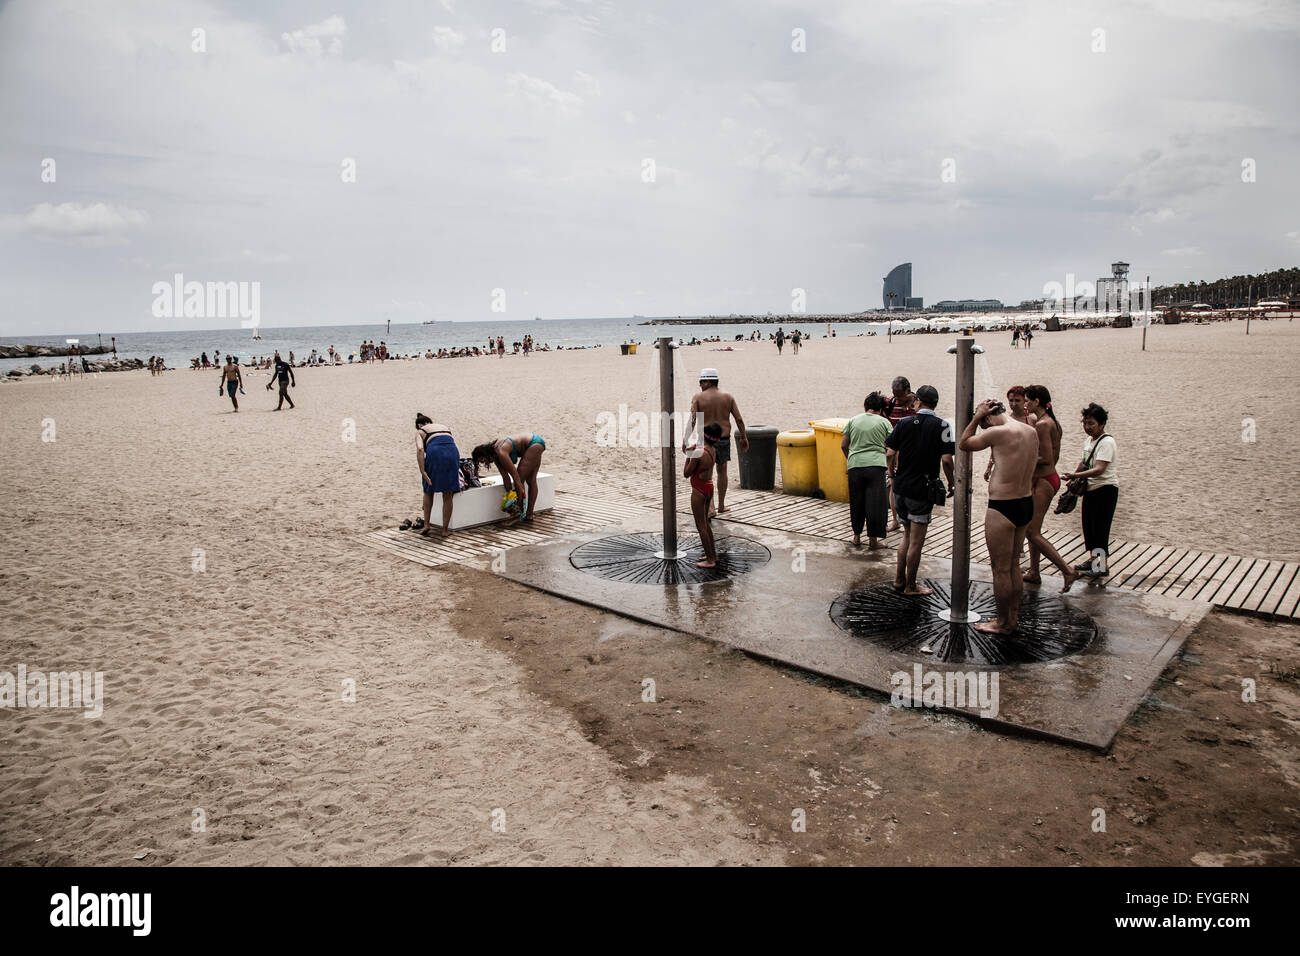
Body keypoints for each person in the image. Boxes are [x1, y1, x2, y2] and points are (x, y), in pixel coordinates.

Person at [959, 398, 1039, 634]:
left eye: (983, 422)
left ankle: (1002, 623)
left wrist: (974, 418)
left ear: (988, 417)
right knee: (1014, 564)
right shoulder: (1030, 430)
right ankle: (1012, 617)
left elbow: (964, 444)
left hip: (1003, 505)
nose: (984, 427)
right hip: (1025, 501)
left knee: (1000, 568)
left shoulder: (997, 432)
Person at [885, 384, 954, 595]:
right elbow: (946, 459)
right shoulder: (942, 425)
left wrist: (892, 474)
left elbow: (889, 453)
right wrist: (951, 482)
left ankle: (899, 579)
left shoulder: (904, 423)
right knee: (916, 541)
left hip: (902, 485)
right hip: (922, 488)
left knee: (906, 536)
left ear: (919, 402)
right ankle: (911, 585)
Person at [1021, 385, 1078, 591]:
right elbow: (1055, 456)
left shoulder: (1043, 424)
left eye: (1028, 400)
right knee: (1031, 528)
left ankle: (1067, 570)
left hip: (1044, 480)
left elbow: (1045, 458)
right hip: (1047, 478)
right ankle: (1034, 571)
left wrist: (1023, 458)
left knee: (1032, 531)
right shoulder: (1053, 422)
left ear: (1037, 402)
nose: (1026, 404)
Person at [1060, 403, 1118, 576]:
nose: (1087, 427)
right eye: (1085, 423)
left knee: (1101, 528)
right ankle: (1093, 561)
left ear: (1102, 424)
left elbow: (1100, 469)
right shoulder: (1089, 441)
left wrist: (1075, 475)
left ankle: (1102, 566)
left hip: (1105, 490)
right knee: (1089, 527)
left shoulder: (1107, 442)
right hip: (1091, 490)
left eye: (1091, 423)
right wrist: (1074, 475)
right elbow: (1084, 462)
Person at [685, 367, 749, 517]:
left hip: (704, 441)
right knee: (722, 471)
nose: (700, 385)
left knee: (707, 473)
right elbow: (738, 419)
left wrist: (685, 439)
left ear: (708, 381)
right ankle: (721, 505)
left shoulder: (698, 398)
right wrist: (744, 437)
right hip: (723, 439)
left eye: (701, 381)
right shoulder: (728, 397)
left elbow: (693, 420)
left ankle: (711, 508)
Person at [841, 391, 891, 549]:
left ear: (865, 406)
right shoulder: (884, 422)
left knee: (856, 501)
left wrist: (851, 459)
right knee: (876, 504)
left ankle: (856, 537)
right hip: (876, 466)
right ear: (881, 409)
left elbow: (843, 445)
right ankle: (873, 541)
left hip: (855, 465)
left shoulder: (853, 420)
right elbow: (892, 448)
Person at [471, 432, 546, 521]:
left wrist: (516, 505)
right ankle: (528, 515)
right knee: (531, 480)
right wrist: (509, 496)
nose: (485, 463)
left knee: (520, 478)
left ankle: (520, 513)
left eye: (483, 460)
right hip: (534, 445)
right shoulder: (496, 457)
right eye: (482, 462)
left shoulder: (501, 452)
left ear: (485, 453)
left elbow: (516, 477)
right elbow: (505, 478)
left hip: (534, 444)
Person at [684, 423, 722, 568]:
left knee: (701, 526)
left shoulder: (698, 452)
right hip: (709, 486)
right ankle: (712, 554)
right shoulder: (712, 450)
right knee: (705, 523)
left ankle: (710, 561)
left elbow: (686, 473)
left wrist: (688, 455)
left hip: (698, 489)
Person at [415, 413, 460, 537]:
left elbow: (420, 449)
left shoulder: (420, 431)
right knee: (448, 493)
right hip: (453, 452)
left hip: (435, 452)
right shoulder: (443, 426)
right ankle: (445, 530)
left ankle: (426, 525)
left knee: (428, 490)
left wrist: (422, 471)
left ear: (419, 425)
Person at [883, 375, 916, 531]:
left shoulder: (918, 405)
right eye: (895, 395)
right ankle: (895, 520)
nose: (898, 399)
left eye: (900, 396)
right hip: (892, 454)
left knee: (911, 488)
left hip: (912, 455)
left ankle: (910, 521)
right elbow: (883, 423)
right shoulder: (890, 404)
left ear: (908, 391)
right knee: (893, 486)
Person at [983, 385, 1034, 481]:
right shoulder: (1006, 420)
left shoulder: (1032, 419)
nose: (1014, 404)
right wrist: (989, 467)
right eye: (1011, 400)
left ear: (1025, 401)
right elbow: (997, 446)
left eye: (1017, 400)